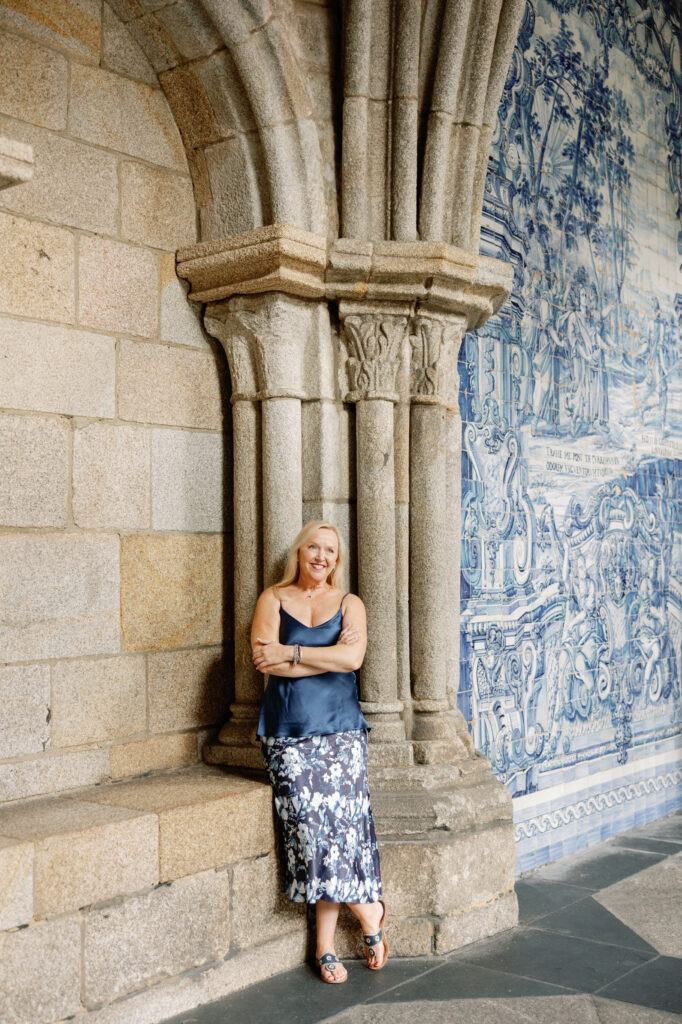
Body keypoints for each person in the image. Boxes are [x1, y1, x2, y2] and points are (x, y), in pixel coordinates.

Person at [251, 520, 387, 984]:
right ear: (300, 551)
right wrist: (320, 655)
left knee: (338, 832)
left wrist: (292, 654)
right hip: (288, 733)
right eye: (315, 546)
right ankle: (370, 911)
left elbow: (352, 661)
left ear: (337, 560)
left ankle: (324, 947)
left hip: (342, 733)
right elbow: (262, 659)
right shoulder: (273, 598)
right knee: (311, 829)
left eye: (331, 550)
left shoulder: (350, 604)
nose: (322, 556)